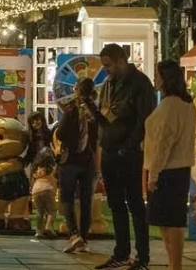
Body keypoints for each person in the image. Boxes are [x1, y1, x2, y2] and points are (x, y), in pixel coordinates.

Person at [84, 43, 156, 270]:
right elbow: (107, 116)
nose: (106, 70)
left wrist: (131, 145)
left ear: (121, 61)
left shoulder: (140, 84)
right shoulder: (108, 84)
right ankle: (122, 251)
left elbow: (144, 119)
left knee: (134, 202)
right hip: (111, 148)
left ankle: (142, 256)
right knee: (116, 203)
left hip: (129, 151)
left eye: (109, 65)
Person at [144, 60, 196, 270]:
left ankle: (175, 265)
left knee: (170, 222)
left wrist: (153, 174)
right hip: (180, 168)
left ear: (165, 79)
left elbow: (164, 142)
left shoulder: (169, 105)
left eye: (157, 76)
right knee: (170, 221)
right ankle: (174, 264)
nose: (155, 80)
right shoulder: (187, 105)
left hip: (167, 169)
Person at [54, 77, 100, 254]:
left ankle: (74, 234)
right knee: (86, 200)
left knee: (67, 198)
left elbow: (61, 133)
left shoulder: (71, 109)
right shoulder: (94, 111)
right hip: (88, 160)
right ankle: (84, 239)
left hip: (70, 159)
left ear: (77, 90)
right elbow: (97, 136)